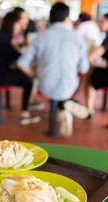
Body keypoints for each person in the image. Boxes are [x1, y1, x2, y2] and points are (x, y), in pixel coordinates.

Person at [17, 2, 90, 137]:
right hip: (70, 86)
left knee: (48, 83)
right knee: (68, 84)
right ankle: (66, 105)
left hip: (46, 86)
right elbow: (84, 69)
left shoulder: (40, 37)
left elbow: (21, 63)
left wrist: (34, 75)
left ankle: (62, 109)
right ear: (67, 19)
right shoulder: (77, 38)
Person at [0, 12, 40, 125]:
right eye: (18, 25)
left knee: (24, 76)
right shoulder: (2, 39)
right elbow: (17, 57)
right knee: (28, 80)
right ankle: (25, 114)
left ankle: (28, 106)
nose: (19, 29)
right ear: (12, 24)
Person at [74, 12, 102, 113]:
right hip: (95, 56)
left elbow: (75, 39)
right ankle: (88, 107)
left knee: (84, 79)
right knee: (87, 81)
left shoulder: (82, 25)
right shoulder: (93, 25)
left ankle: (75, 99)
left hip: (87, 57)